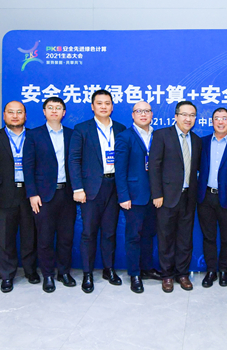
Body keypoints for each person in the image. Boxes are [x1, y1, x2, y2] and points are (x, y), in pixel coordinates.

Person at [69, 90, 127, 293]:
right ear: (92, 106)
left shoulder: (120, 129)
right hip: (91, 189)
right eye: (99, 103)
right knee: (89, 232)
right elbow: (74, 160)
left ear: (112, 106)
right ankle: (87, 273)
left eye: (107, 103)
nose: (103, 106)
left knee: (110, 232)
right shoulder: (82, 129)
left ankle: (108, 269)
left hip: (114, 187)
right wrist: (78, 188)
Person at [0, 101, 40, 293]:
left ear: (25, 116)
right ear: (4, 115)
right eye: (11, 112)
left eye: (19, 112)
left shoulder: (35, 136)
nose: (15, 116)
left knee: (30, 235)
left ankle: (30, 270)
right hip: (3, 194)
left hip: (30, 193)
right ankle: (7, 275)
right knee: (5, 237)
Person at [23, 96, 77, 293]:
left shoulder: (72, 134)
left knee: (66, 237)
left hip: (67, 194)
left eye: (58, 108)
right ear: (44, 112)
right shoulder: (34, 135)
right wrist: (32, 194)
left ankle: (64, 272)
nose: (54, 111)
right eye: (50, 107)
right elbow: (28, 166)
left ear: (64, 112)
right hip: (43, 195)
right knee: (45, 238)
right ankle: (47, 275)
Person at [148, 101, 202, 293]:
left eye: (192, 115)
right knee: (166, 238)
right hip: (166, 197)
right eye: (184, 115)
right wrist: (157, 194)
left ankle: (183, 274)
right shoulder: (162, 135)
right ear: (176, 116)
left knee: (185, 238)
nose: (188, 119)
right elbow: (154, 166)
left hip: (189, 197)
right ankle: (167, 275)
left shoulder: (197, 140)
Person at [115, 101, 162, 293]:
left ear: (152, 114)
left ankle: (147, 268)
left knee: (149, 234)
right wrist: (123, 195)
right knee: (133, 236)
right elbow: (120, 170)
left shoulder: (158, 136)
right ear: (132, 115)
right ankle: (134, 273)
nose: (143, 114)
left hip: (155, 196)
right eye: (139, 111)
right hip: (133, 196)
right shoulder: (124, 137)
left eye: (147, 111)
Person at [196, 107, 227, 288]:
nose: (220, 121)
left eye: (224, 118)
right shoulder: (202, 142)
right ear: (212, 122)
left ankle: (224, 270)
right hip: (205, 196)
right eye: (217, 118)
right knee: (208, 237)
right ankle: (211, 271)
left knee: (226, 237)